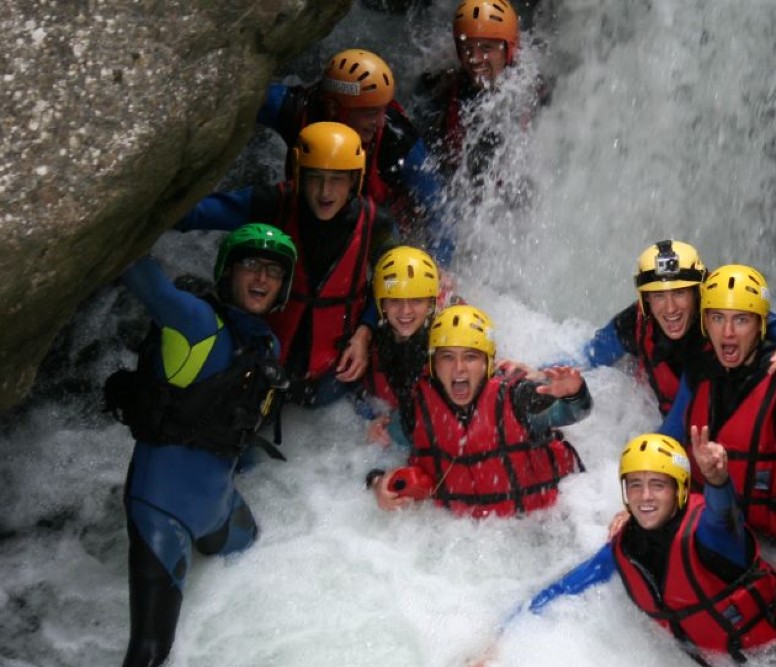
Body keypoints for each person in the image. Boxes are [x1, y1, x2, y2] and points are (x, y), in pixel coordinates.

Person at [104, 224, 296, 667]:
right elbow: (138, 273)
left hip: (218, 503)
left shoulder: (261, 343)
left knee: (261, 552)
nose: (261, 278)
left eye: (273, 271)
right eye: (250, 264)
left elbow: (234, 431)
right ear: (228, 273)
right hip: (161, 512)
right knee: (150, 661)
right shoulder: (195, 322)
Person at [486, 430, 776, 667]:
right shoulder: (625, 547)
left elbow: (725, 515)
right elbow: (563, 590)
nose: (645, 496)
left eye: (658, 485)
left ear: (680, 490)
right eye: (635, 485)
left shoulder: (710, 535)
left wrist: (717, 480)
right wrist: (502, 638)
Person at [177, 121, 398, 408]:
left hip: (331, 380)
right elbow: (195, 214)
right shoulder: (272, 203)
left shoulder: (375, 223)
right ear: (298, 175)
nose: (325, 192)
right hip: (262, 368)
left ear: (354, 181)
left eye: (337, 179)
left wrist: (365, 332)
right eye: (315, 177)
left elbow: (393, 287)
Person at [367, 304, 591, 517]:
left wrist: (575, 394)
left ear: (488, 363)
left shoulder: (519, 397)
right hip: (468, 538)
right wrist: (377, 484)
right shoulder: (415, 412)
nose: (459, 367)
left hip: (546, 521)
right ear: (433, 365)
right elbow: (374, 454)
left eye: (470, 357)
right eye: (447, 357)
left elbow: (574, 412)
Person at [258, 48, 454, 268]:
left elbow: (438, 206)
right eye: (370, 113)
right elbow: (246, 97)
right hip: (315, 211)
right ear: (333, 108)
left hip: (383, 224)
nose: (380, 122)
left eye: (383, 110)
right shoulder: (296, 109)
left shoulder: (397, 140)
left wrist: (440, 268)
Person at [660, 265, 776, 536]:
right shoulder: (700, 371)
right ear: (704, 322)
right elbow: (669, 439)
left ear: (761, 325)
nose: (727, 333)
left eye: (741, 320)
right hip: (713, 528)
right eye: (717, 318)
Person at [416, 0, 539, 184]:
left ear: (509, 49)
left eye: (486, 48)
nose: (474, 59)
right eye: (467, 49)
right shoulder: (443, 87)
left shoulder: (529, 91)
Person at [581, 240, 708, 416]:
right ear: (646, 298)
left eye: (680, 293)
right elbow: (589, 356)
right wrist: (544, 374)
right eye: (659, 295)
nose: (670, 308)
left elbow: (678, 426)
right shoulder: (637, 321)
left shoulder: (722, 332)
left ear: (697, 292)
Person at [357, 245, 442, 440]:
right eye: (394, 301)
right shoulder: (371, 344)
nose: (405, 312)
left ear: (431, 304)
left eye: (416, 301)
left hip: (428, 429)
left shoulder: (448, 338)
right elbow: (354, 394)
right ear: (382, 304)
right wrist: (372, 419)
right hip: (398, 421)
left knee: (398, 431)